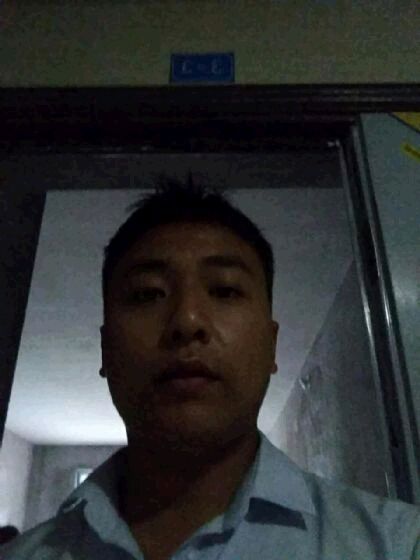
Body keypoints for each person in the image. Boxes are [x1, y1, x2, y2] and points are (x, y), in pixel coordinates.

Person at [1, 177, 419, 560]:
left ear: (272, 344)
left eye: (225, 290)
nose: (187, 321)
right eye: (148, 294)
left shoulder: (398, 544)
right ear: (106, 350)